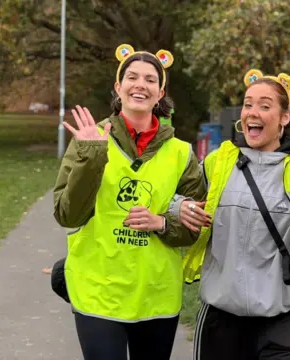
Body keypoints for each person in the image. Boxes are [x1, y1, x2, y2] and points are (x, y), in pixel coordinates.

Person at [170, 69, 290, 360]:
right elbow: (177, 195)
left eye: (264, 105)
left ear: (285, 118)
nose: (252, 112)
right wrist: (177, 208)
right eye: (248, 104)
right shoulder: (218, 163)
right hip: (221, 322)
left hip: (282, 324)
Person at [53, 44, 206, 360]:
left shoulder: (180, 153)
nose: (141, 85)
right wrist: (92, 156)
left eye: (150, 79)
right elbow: (68, 214)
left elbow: (197, 225)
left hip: (156, 295)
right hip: (99, 291)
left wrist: (162, 222)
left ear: (160, 92)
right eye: (132, 77)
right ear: (118, 87)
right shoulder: (89, 138)